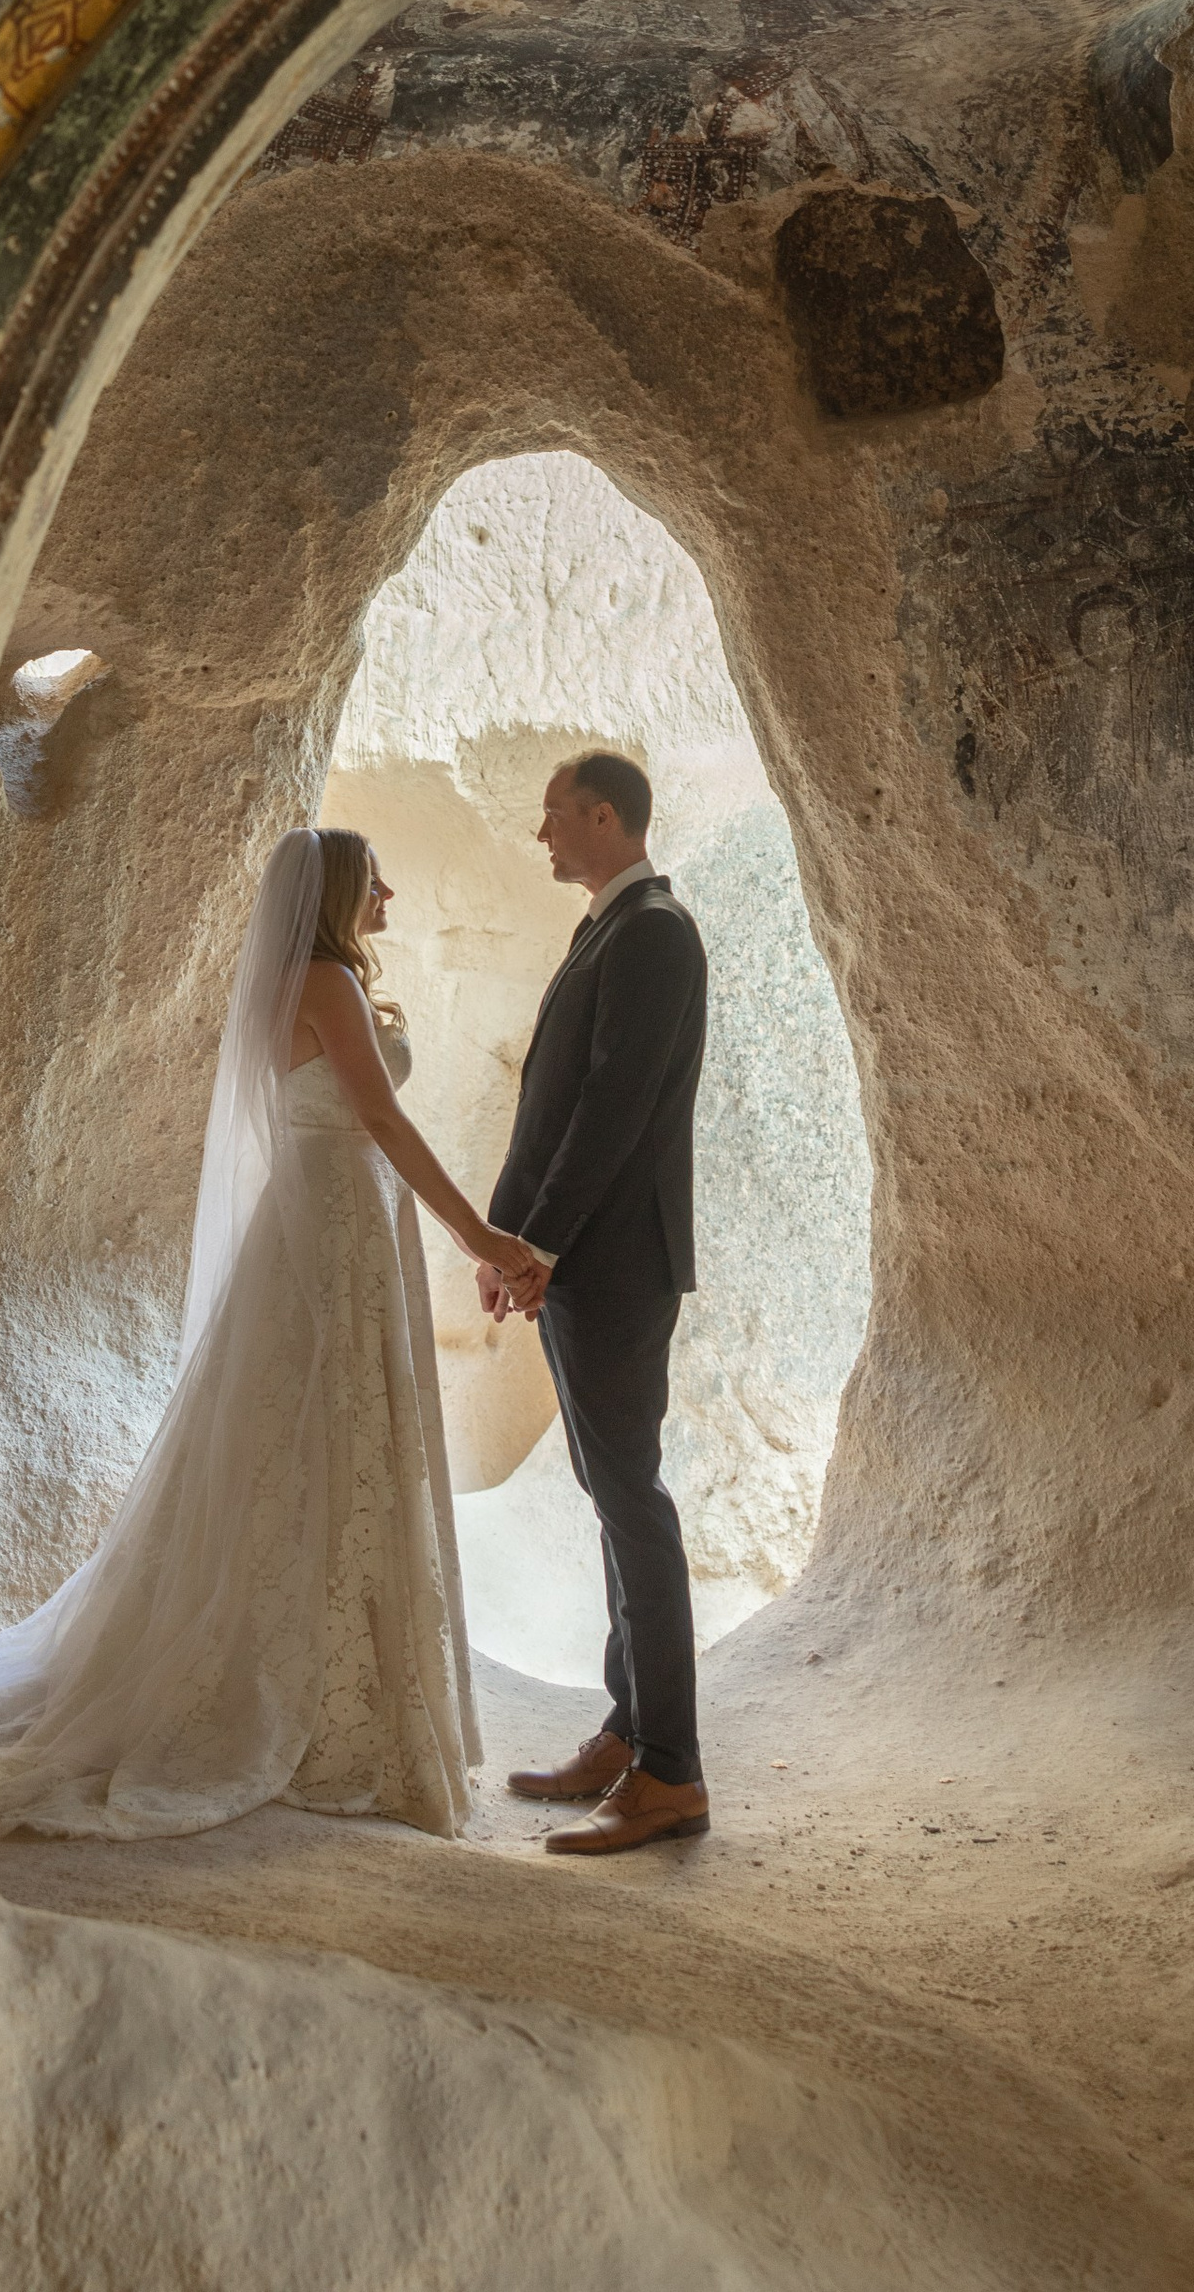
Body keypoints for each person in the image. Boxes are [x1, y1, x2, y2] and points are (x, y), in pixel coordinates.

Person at [0, 824, 547, 1836]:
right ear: (339, 891)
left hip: (333, 1209)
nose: (389, 887)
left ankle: (322, 1667)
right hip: (338, 1209)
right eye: (373, 875)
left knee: (302, 1444)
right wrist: (484, 1235)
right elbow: (380, 1120)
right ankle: (323, 1694)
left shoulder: (304, 979)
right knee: (331, 1438)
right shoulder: (326, 981)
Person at [486, 750, 712, 1855]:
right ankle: (630, 1732)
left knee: (630, 1498)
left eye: (556, 813)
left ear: (610, 815)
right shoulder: (614, 927)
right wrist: (504, 1233)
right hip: (585, 1260)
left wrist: (536, 1243)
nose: (543, 833)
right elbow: (550, 1100)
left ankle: (671, 1769)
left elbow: (613, 1113)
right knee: (609, 1487)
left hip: (616, 1265)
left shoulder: (655, 931)